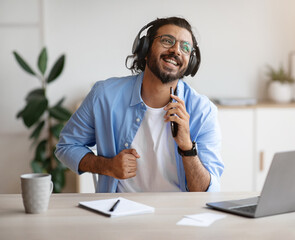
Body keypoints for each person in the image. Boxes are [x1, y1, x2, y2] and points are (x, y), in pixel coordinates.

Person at [55, 17, 224, 193]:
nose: (176, 50)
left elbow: (207, 192)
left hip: (177, 215)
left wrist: (187, 147)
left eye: (185, 47)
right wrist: (107, 166)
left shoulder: (203, 111)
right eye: (167, 41)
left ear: (191, 62)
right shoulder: (104, 95)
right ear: (145, 48)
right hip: (118, 213)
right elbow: (66, 146)